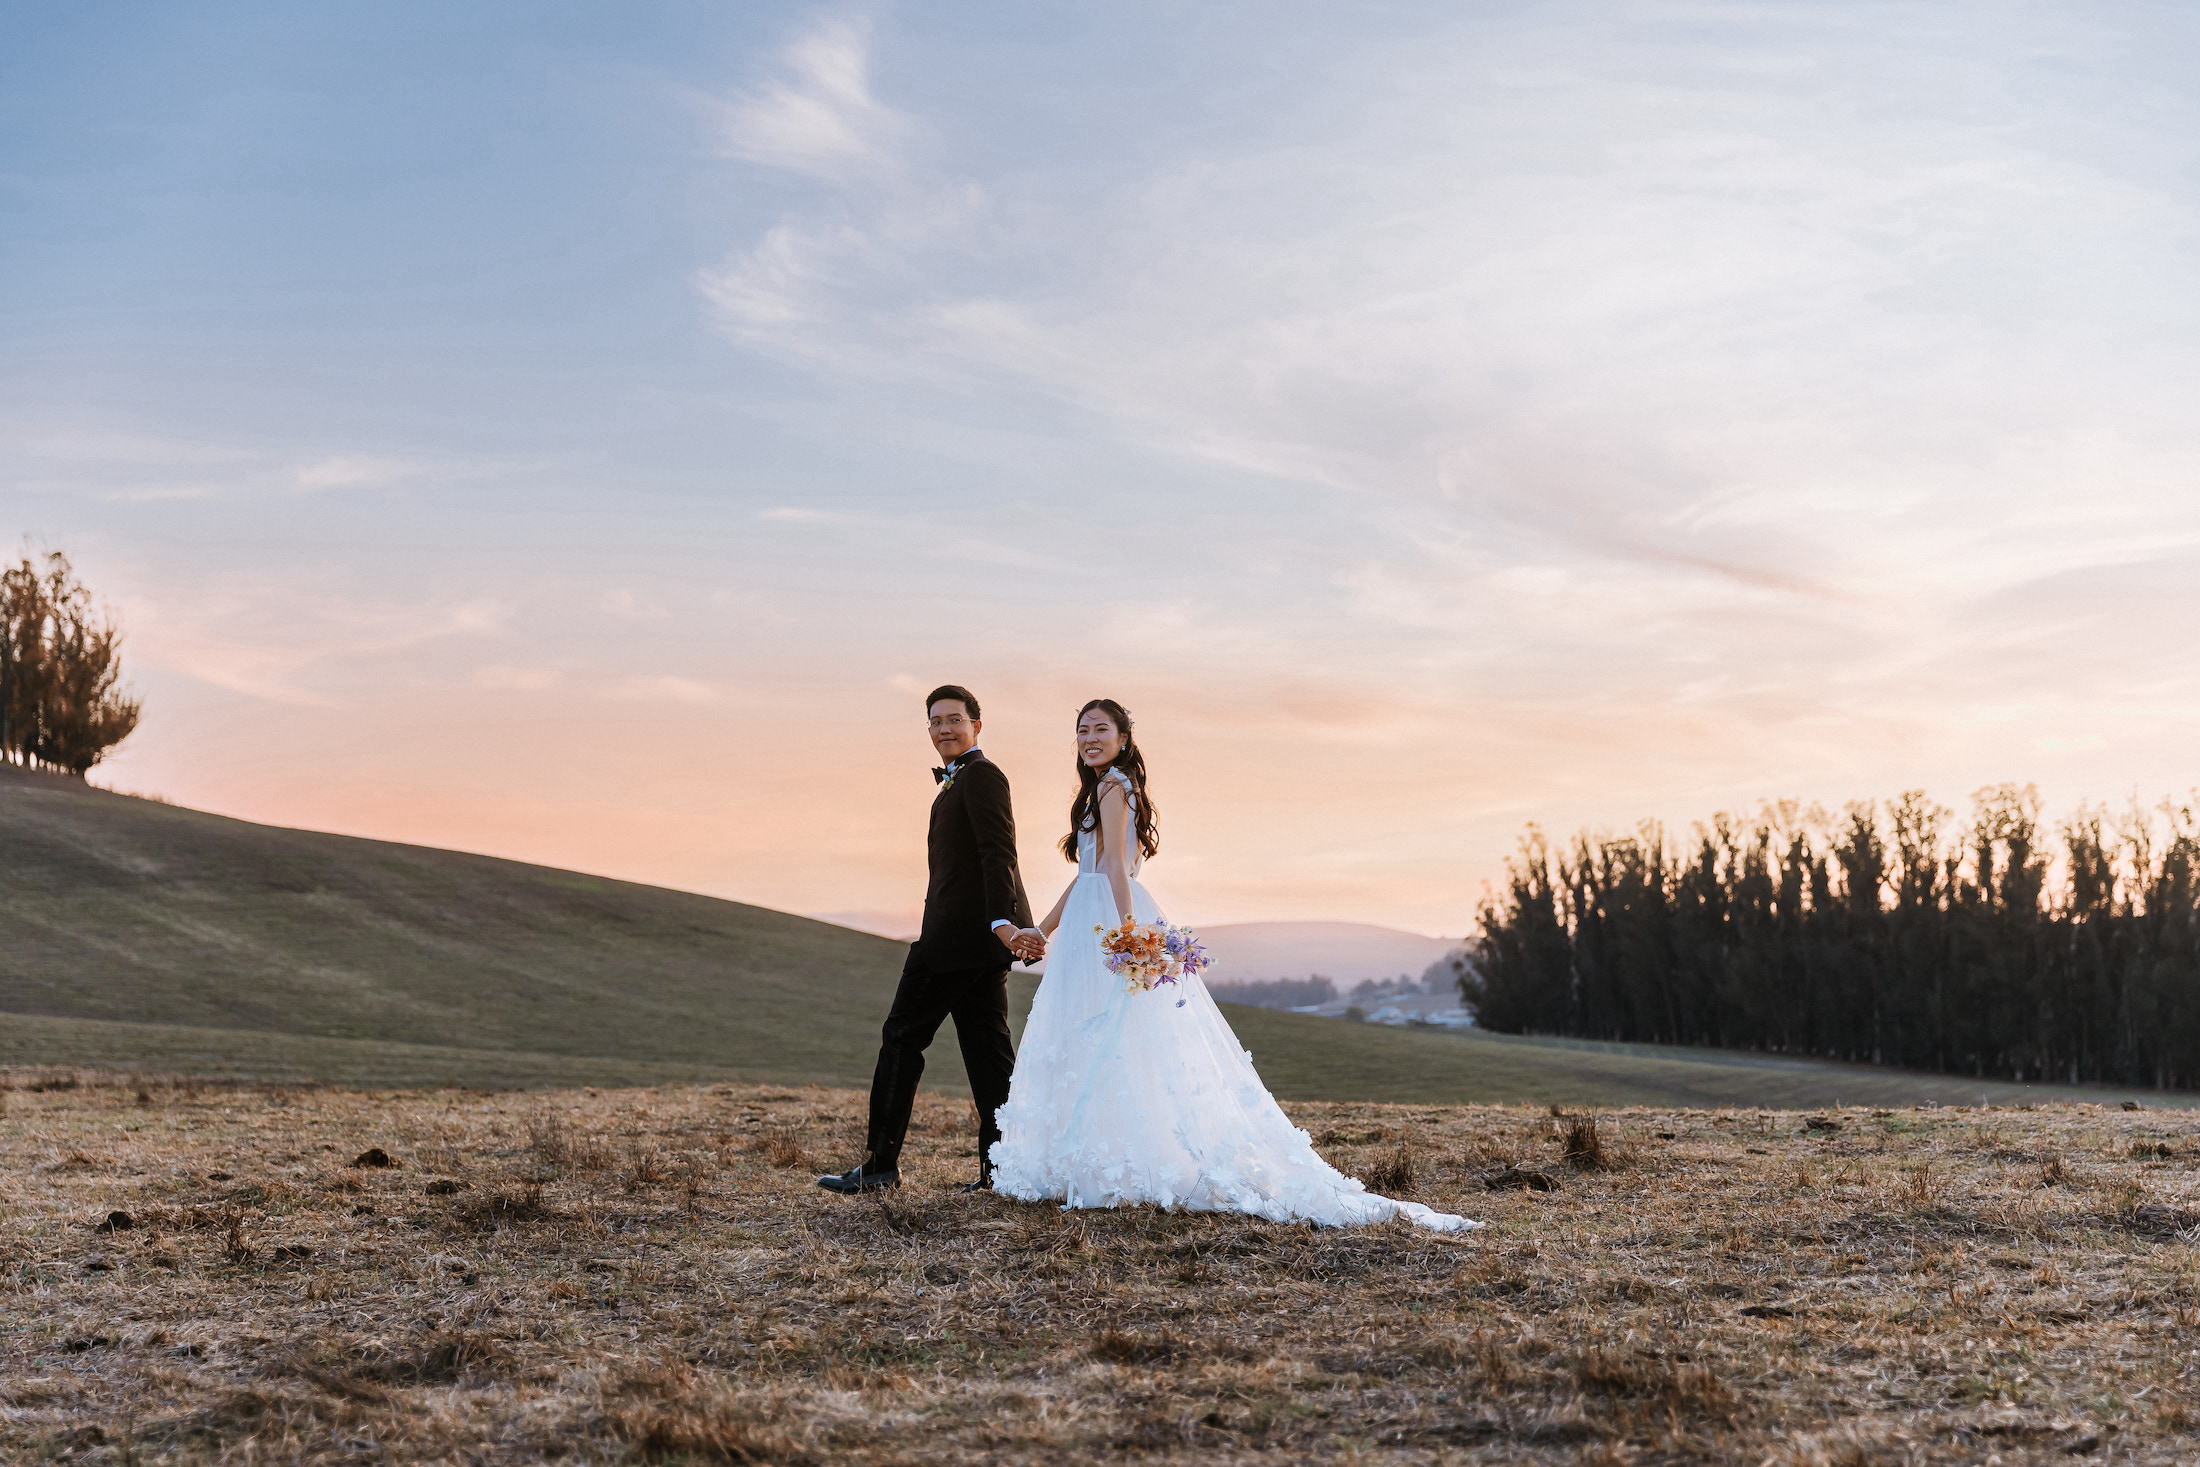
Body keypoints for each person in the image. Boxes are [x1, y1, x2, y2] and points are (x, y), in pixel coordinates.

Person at [987, 698, 1479, 1232]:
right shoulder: (1104, 786)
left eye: (1100, 729)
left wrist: (1126, 931)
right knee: (1113, 1036)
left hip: (1108, 918)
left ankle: (1103, 1159)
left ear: (1124, 739)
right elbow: (1088, 872)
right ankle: (1105, 1157)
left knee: (1105, 1032)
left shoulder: (1112, 785)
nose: (1089, 738)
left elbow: (1110, 868)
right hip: (1095, 912)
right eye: (1081, 730)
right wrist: (1046, 929)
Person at [819, 685, 1041, 1195]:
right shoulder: (956, 782)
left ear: (977, 726)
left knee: (902, 1037)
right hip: (974, 943)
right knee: (989, 1054)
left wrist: (1000, 924)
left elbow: (998, 854)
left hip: (956, 943)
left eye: (954, 719)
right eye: (935, 721)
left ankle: (879, 1167)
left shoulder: (983, 776)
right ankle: (1002, 1170)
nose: (944, 729)